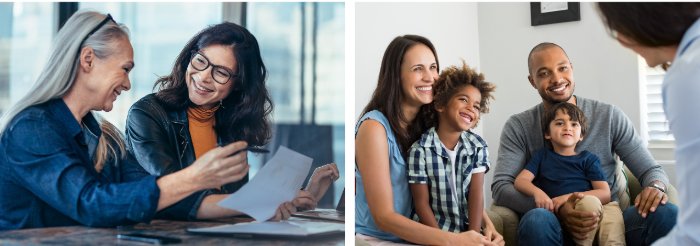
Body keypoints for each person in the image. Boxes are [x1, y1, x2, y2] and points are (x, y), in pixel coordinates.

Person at [0, 11, 251, 230]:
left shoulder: (103, 137)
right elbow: (91, 204)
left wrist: (257, 204)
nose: (128, 83)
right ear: (88, 60)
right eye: (124, 69)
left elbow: (163, 198)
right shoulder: (31, 129)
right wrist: (192, 178)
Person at [125, 22, 339, 221]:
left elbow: (236, 203)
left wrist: (301, 197)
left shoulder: (233, 124)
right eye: (200, 61)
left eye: (221, 72)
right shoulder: (148, 113)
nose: (203, 76)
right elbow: (172, 193)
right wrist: (261, 202)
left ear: (238, 84)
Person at [491, 42, 678, 245]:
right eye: (544, 73)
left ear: (571, 68)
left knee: (667, 213)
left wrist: (656, 187)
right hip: (551, 222)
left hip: (607, 218)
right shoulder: (519, 126)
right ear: (532, 81)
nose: (557, 79)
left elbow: (651, 170)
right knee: (536, 220)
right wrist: (558, 208)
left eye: (562, 68)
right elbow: (501, 187)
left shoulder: (609, 116)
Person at [355, 35, 501, 246]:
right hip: (376, 238)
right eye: (418, 69)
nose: (430, 77)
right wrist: (454, 241)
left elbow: (455, 188)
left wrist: (486, 225)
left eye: (433, 67)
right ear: (396, 76)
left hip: (419, 237)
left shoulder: (430, 125)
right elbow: (383, 217)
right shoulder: (374, 128)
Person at [597, 3, 700, 245]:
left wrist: (655, 186)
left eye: (616, 28)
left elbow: (693, 233)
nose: (621, 41)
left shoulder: (687, 75)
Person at [408, 62, 501, 240]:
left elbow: (476, 196)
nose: (470, 108)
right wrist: (441, 241)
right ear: (441, 104)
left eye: (476, 105)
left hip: (468, 232)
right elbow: (421, 204)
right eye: (463, 100)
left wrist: (474, 238)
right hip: (432, 233)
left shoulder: (478, 147)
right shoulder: (419, 151)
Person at [514, 102, 625, 245]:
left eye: (574, 124)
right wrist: (538, 193)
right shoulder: (541, 156)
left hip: (585, 211)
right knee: (538, 218)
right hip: (554, 219)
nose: (567, 127)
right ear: (547, 134)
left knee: (591, 204)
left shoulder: (588, 159)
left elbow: (604, 193)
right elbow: (521, 181)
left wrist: (566, 198)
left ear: (581, 136)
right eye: (560, 123)